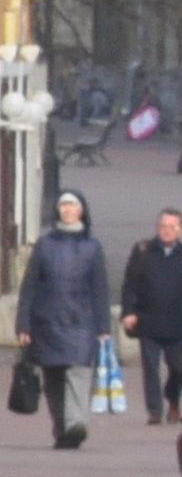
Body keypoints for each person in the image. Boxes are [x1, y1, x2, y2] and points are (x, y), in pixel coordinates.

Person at [18, 189, 113, 451]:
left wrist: (104, 327)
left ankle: (76, 424)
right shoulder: (45, 245)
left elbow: (100, 288)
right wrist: (23, 324)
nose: (67, 210)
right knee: (54, 379)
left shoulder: (92, 247)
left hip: (81, 322)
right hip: (46, 322)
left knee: (79, 373)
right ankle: (62, 429)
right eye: (63, 206)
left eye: (72, 206)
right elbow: (30, 286)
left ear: (81, 211)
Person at [119, 207, 182, 423]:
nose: (166, 231)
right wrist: (128, 312)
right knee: (150, 368)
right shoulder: (143, 251)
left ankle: (173, 398)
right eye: (163, 226)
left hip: (174, 323)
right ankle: (155, 411)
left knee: (178, 368)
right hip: (147, 319)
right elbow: (129, 284)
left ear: (180, 230)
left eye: (172, 227)